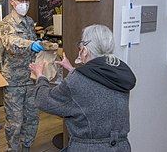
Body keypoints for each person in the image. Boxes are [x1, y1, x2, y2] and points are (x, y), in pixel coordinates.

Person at [29, 24, 136, 152]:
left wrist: (41, 76)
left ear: (85, 50)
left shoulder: (77, 81)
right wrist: (72, 69)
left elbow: (44, 101)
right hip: (121, 147)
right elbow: (95, 86)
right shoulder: (119, 73)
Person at [0, 0, 43, 152]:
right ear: (12, 2)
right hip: (14, 81)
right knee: (15, 122)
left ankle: (27, 147)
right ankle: (13, 149)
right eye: (21, 1)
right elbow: (11, 44)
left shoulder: (30, 22)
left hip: (30, 79)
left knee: (32, 118)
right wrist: (31, 45)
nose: (25, 4)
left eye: (27, 1)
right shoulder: (6, 23)